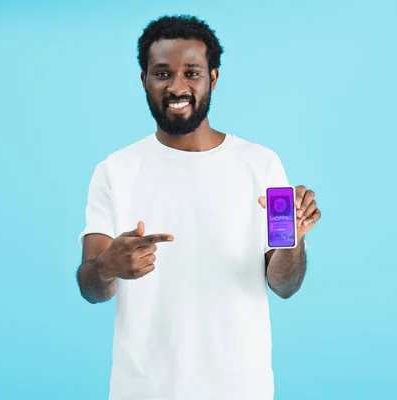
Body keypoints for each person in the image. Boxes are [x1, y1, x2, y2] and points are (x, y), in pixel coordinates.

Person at [76, 14, 322, 400]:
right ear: (144, 80)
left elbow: (285, 285)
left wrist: (294, 240)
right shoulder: (115, 171)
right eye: (162, 73)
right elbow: (91, 288)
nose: (177, 87)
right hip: (141, 389)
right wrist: (107, 266)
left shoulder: (261, 164)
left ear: (213, 78)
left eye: (192, 72)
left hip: (241, 389)